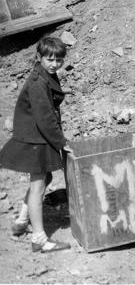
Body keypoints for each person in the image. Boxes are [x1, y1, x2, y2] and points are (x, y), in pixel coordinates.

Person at [0, 37, 71, 253]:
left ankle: (22, 220)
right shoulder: (38, 82)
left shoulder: (45, 75)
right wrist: (62, 142)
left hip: (36, 136)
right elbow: (45, 118)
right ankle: (39, 239)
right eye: (50, 59)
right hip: (35, 138)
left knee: (44, 179)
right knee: (39, 187)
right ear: (39, 58)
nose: (55, 64)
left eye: (59, 60)